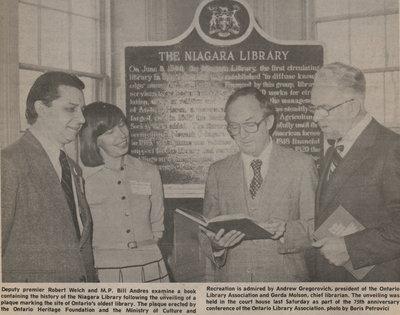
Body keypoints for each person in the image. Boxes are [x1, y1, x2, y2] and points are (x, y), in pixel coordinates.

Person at [200, 87, 318, 282]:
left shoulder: (302, 165)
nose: (242, 135)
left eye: (250, 125)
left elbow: (317, 228)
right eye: (234, 127)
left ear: (269, 122)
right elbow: (205, 232)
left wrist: (286, 231)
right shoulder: (217, 171)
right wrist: (217, 245)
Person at [1, 71, 97, 282]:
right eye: (71, 109)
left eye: (82, 110)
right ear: (41, 109)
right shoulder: (8, 164)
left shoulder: (72, 168)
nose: (81, 119)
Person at [311, 62, 400, 281]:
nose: (315, 118)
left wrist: (350, 248)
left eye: (323, 109)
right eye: (313, 109)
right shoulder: (334, 149)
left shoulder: (392, 149)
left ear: (351, 106)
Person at [80, 102, 169, 282]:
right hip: (104, 269)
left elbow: (157, 222)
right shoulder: (82, 177)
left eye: (122, 125)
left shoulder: (149, 171)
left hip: (150, 263)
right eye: (109, 132)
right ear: (93, 139)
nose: (121, 135)